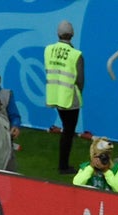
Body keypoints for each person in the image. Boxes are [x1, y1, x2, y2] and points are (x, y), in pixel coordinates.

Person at [45, 20, 85, 175]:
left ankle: (63, 164)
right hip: (70, 97)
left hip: (54, 94)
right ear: (72, 34)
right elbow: (80, 80)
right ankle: (63, 166)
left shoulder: (49, 50)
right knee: (68, 131)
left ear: (58, 34)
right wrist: (78, 92)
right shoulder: (76, 55)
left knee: (66, 130)